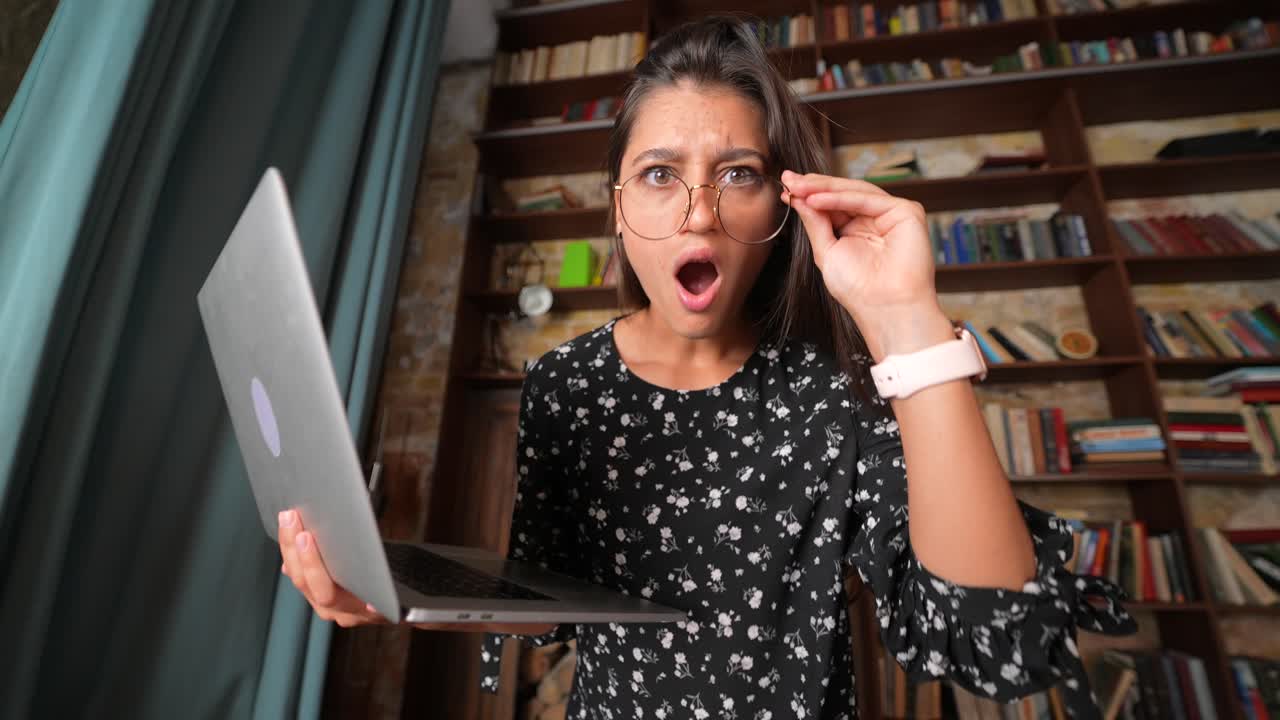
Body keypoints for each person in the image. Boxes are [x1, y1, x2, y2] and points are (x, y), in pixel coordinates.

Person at [277, 15, 1137, 719]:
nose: (698, 214)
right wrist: (398, 591)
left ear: (783, 206)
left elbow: (999, 647)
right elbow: (550, 608)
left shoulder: (837, 392)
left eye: (737, 173)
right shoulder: (562, 387)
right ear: (618, 208)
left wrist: (907, 321)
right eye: (658, 174)